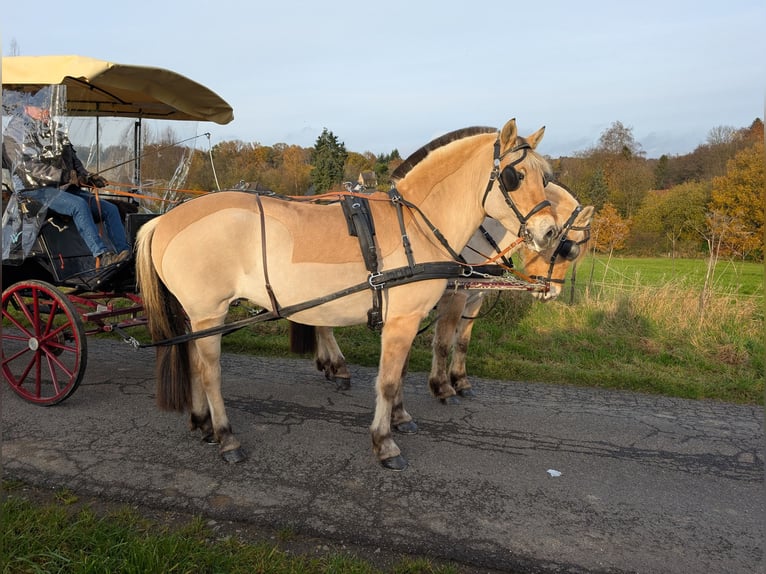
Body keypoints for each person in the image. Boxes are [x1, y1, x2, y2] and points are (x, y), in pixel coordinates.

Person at [2, 87, 130, 268]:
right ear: (26, 108)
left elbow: (72, 158)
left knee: (109, 209)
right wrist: (64, 176)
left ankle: (124, 254)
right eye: (40, 108)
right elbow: (27, 169)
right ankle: (102, 255)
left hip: (62, 190)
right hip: (34, 192)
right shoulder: (14, 135)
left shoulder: (53, 131)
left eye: (47, 108)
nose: (46, 112)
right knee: (78, 206)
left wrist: (87, 176)